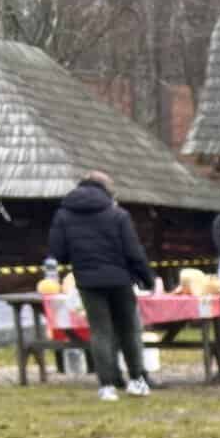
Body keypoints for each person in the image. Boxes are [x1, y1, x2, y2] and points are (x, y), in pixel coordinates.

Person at [47, 170, 153, 401]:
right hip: (120, 280)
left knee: (100, 332)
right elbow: (133, 251)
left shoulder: (64, 215)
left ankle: (106, 386)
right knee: (129, 330)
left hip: (88, 281)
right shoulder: (118, 214)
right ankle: (137, 380)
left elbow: (58, 253)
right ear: (105, 189)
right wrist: (147, 278)